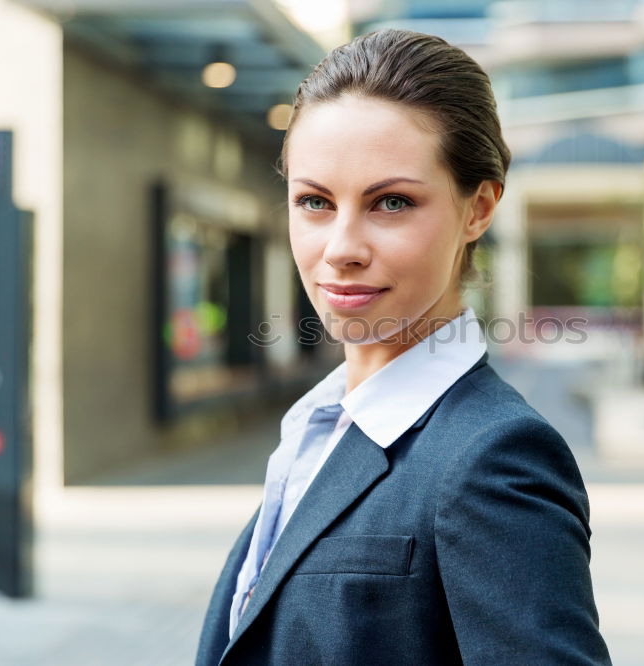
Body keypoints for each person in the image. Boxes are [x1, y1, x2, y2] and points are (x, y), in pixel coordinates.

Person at [196, 28, 612, 666]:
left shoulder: (493, 458)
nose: (341, 248)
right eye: (314, 202)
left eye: (391, 203)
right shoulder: (317, 426)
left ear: (478, 208)